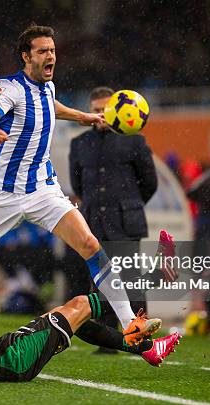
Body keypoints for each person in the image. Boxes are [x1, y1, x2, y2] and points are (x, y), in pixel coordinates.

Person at [0, 24, 173, 345]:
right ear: (26, 57)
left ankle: (129, 323)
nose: (50, 55)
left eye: (52, 50)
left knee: (90, 245)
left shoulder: (47, 89)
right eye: (42, 51)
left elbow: (51, 107)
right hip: (1, 194)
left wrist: (86, 117)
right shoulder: (8, 88)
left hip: (42, 190)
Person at [0, 278, 181, 384]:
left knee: (73, 319)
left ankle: (147, 349)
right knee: (80, 304)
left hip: (4, 347)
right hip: (12, 360)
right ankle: (156, 276)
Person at [68, 86, 158, 353]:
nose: (101, 115)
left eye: (105, 109)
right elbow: (78, 186)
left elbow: (149, 183)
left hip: (126, 224)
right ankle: (109, 341)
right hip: (93, 223)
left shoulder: (135, 141)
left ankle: (141, 336)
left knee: (132, 280)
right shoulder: (79, 143)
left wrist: (126, 206)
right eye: (96, 111)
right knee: (99, 282)